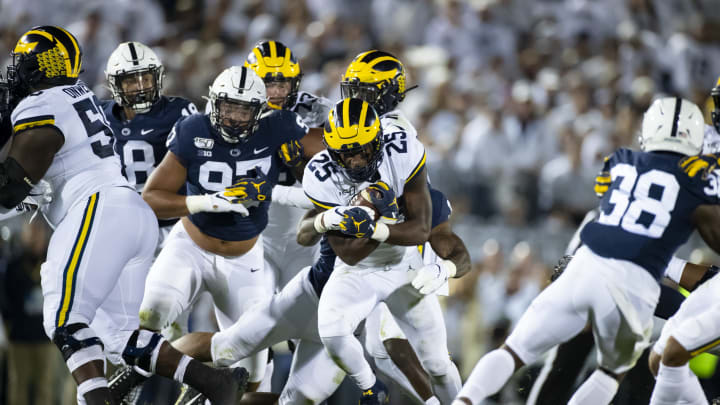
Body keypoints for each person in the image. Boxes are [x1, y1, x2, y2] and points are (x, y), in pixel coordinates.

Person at [1, 26, 248, 405]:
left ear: (38, 66)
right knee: (120, 338)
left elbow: (11, 189)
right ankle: (214, 383)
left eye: (24, 63)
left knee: (65, 320)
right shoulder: (75, 96)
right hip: (131, 214)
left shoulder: (41, 105)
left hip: (97, 211)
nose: (15, 72)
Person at [452, 97, 720, 405]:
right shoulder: (695, 177)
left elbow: (581, 244)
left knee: (516, 351)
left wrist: (559, 276)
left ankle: (464, 401)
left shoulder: (621, 165)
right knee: (586, 370)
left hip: (586, 270)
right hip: (630, 282)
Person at [138, 65, 309, 392]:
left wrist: (298, 162)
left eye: (243, 110)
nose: (232, 117)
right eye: (227, 107)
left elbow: (323, 173)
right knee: (151, 316)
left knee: (252, 373)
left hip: (245, 258)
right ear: (213, 103)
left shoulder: (279, 129)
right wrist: (204, 202)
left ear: (260, 112)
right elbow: (152, 196)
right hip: (190, 246)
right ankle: (137, 378)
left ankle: (197, 388)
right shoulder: (192, 130)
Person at [244, 39, 332, 290]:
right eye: (267, 83)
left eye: (282, 83)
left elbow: (336, 159)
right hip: (254, 236)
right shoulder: (232, 108)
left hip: (305, 235)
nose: (276, 92)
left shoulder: (315, 110)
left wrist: (297, 158)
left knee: (303, 319)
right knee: (253, 314)